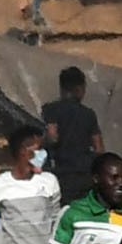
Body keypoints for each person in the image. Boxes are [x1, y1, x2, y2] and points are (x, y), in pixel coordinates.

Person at [40, 68, 102, 204]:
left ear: (61, 88)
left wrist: (41, 143)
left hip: (59, 174)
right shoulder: (89, 114)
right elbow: (98, 148)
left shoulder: (51, 109)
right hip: (84, 174)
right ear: (79, 89)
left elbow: (52, 137)